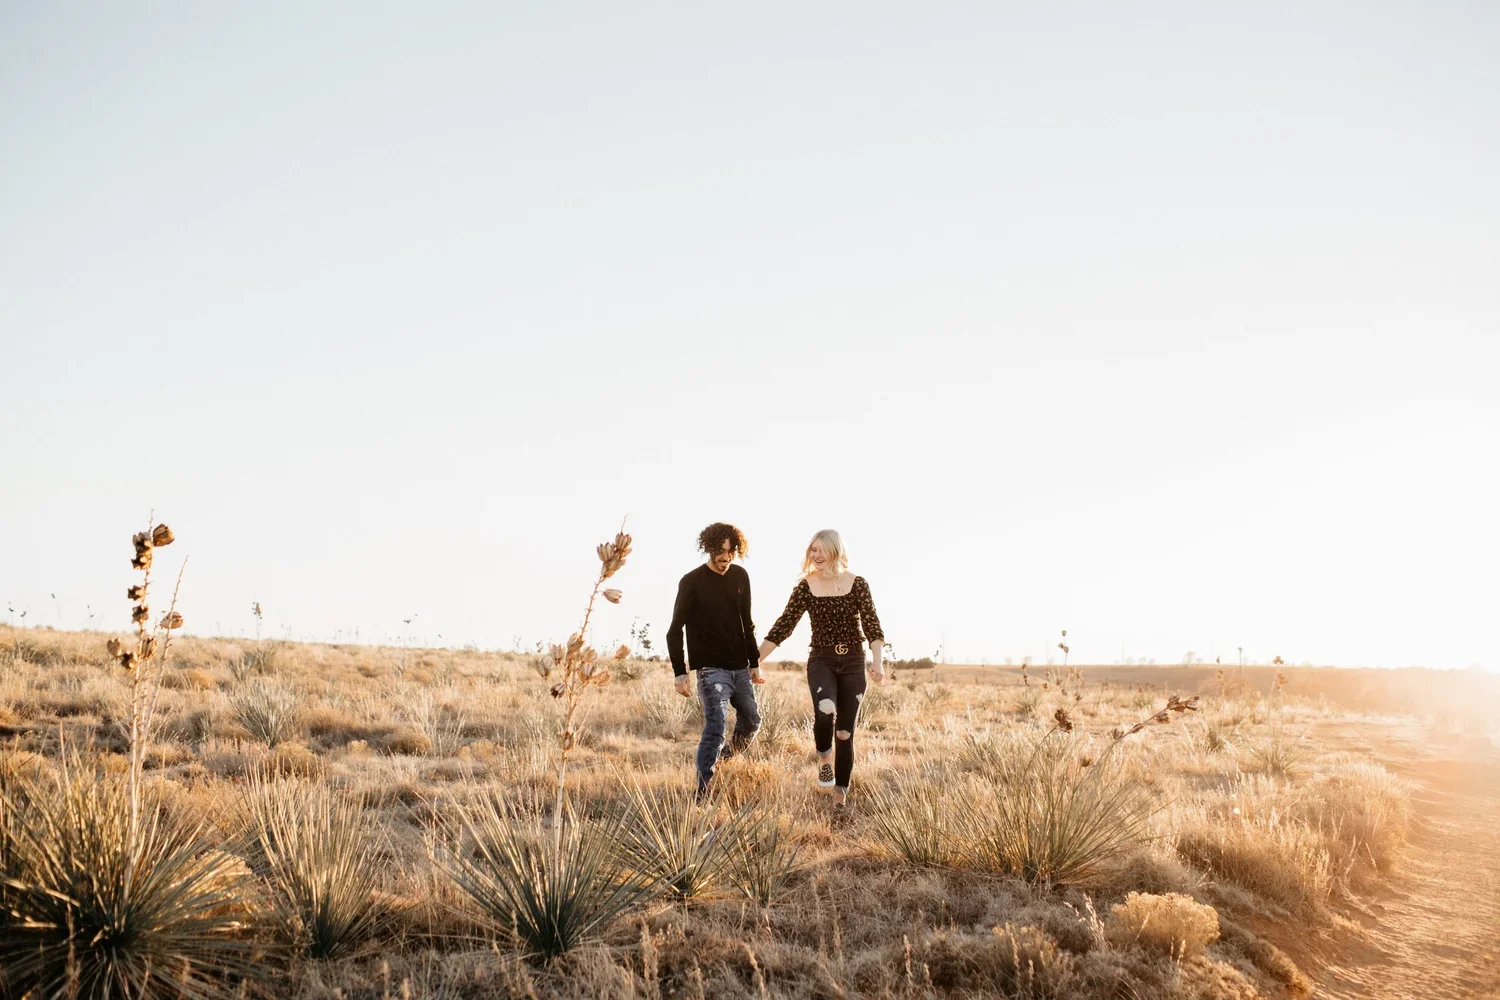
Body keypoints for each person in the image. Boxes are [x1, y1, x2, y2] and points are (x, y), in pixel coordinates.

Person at [759, 529, 884, 807]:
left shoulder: (858, 584)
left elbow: (872, 626)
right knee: (826, 708)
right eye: (811, 550)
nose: (814, 555)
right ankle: (824, 757)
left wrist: (877, 662)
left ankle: (840, 795)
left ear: (835, 551)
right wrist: (755, 661)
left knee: (846, 732)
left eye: (820, 550)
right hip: (821, 660)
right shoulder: (807, 586)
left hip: (853, 660)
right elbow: (784, 625)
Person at [667, 522, 763, 795]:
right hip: (711, 670)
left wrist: (754, 663)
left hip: (740, 668)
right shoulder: (692, 581)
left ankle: (723, 761)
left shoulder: (740, 577)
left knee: (753, 721)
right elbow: (675, 630)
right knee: (716, 725)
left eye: (732, 552)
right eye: (721, 552)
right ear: (708, 549)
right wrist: (680, 671)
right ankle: (703, 792)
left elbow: (748, 623)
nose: (726, 558)